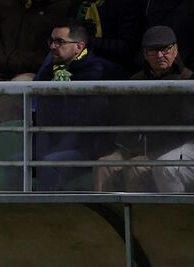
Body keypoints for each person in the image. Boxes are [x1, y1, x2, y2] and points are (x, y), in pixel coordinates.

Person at [95, 26, 194, 192]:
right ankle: (104, 217)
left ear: (175, 50)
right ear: (145, 54)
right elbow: (124, 122)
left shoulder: (188, 80)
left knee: (137, 167)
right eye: (153, 51)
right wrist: (126, 146)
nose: (160, 55)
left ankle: (141, 217)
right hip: (136, 146)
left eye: (165, 49)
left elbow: (186, 133)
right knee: (104, 165)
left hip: (171, 147)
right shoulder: (136, 81)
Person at [33, 21, 125, 191]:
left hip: (88, 148)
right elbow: (42, 117)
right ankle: (15, 215)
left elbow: (93, 122)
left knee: (49, 164)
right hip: (54, 144)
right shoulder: (48, 72)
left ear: (79, 47)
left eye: (59, 42)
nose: (53, 46)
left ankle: (49, 214)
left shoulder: (102, 72)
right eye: (51, 41)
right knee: (16, 163)